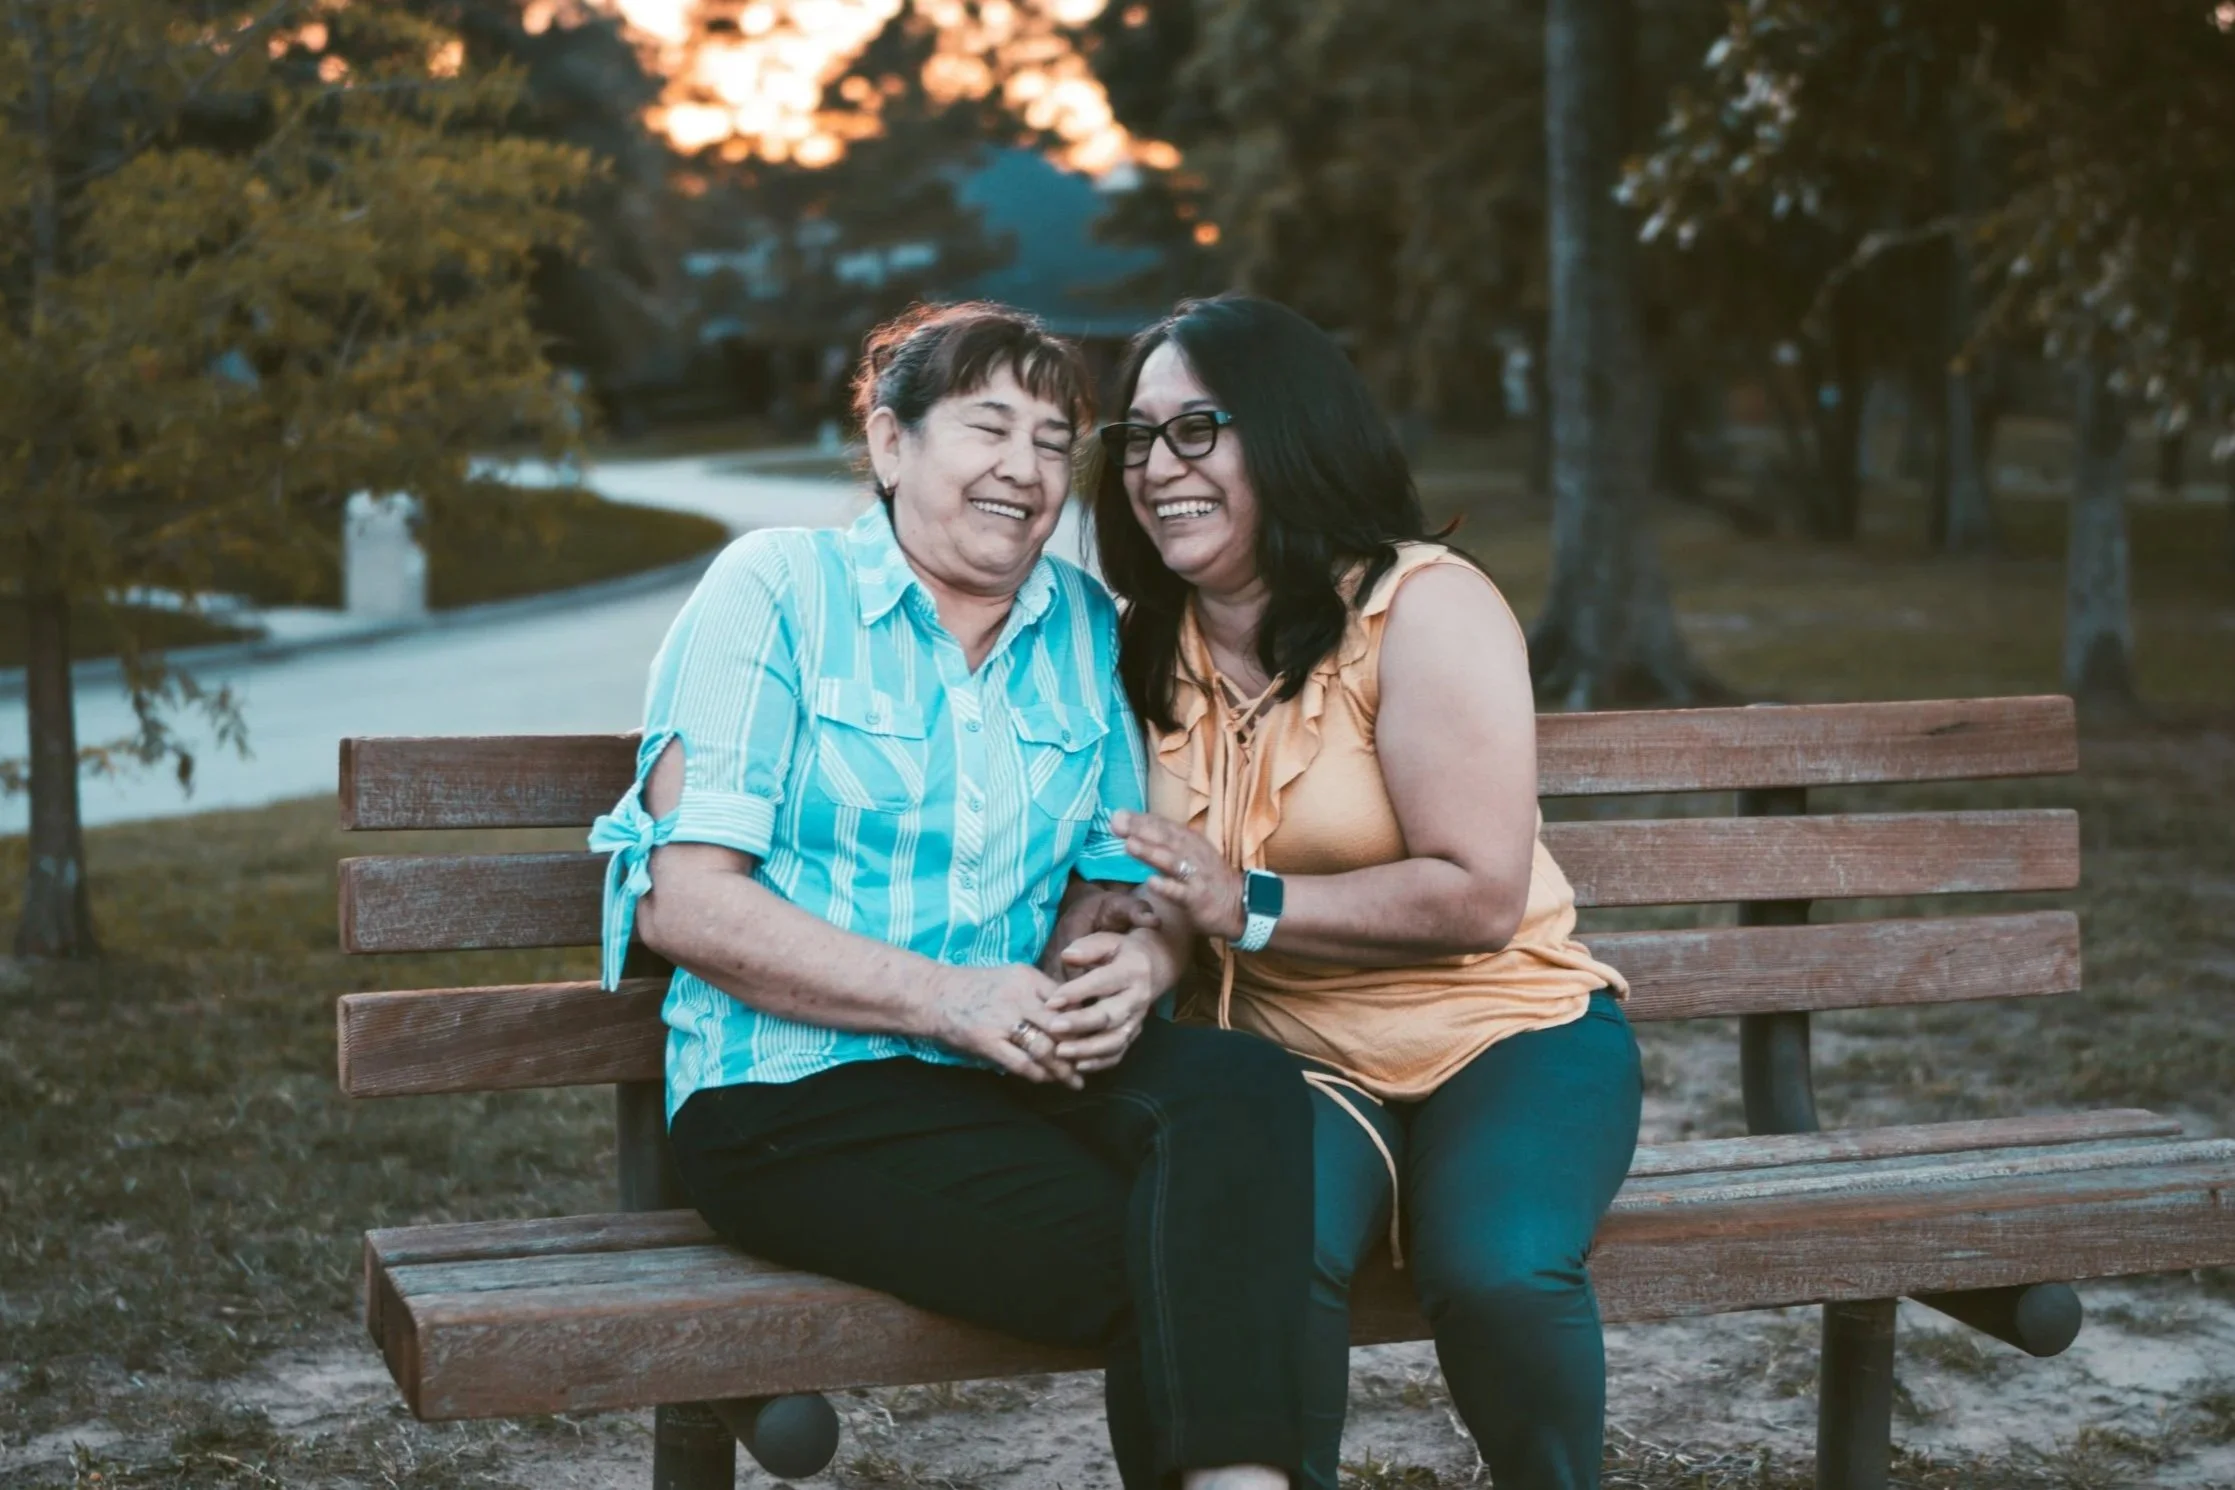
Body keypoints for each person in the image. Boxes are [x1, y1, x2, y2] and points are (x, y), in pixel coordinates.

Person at [590, 302, 1311, 1490]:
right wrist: (942, 997)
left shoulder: (1083, 625)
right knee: (1187, 1253)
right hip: (790, 1099)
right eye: (990, 427)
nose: (1025, 470)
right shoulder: (775, 590)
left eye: (1052, 439)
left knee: (1241, 1087)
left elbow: (1112, 879)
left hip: (1009, 1072)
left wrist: (1129, 962)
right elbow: (685, 901)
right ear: (889, 444)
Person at [1090, 294, 1643, 1490]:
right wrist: (1134, 944)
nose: (1156, 467)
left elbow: (1480, 892)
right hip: (1287, 1059)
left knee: (1497, 1266)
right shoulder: (1138, 644)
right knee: (1242, 1259)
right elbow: (1148, 879)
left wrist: (1251, 903)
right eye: (1136, 436)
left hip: (1506, 1035)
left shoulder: (1422, 605)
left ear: (1287, 432)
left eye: (1197, 429)